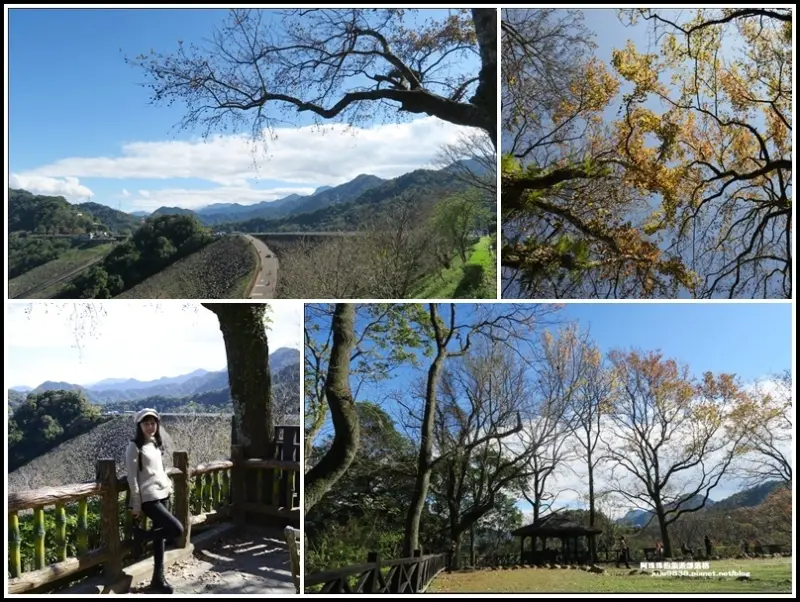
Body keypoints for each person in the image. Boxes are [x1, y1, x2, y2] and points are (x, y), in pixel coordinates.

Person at [126, 408, 184, 594]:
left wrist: (168, 485)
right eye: (146, 423)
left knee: (160, 539)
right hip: (149, 499)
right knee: (176, 529)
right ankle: (142, 537)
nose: (150, 427)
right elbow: (132, 478)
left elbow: (158, 470)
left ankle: (158, 580)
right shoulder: (134, 446)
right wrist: (136, 504)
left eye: (153, 423)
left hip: (163, 493)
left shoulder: (155, 443)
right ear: (139, 425)